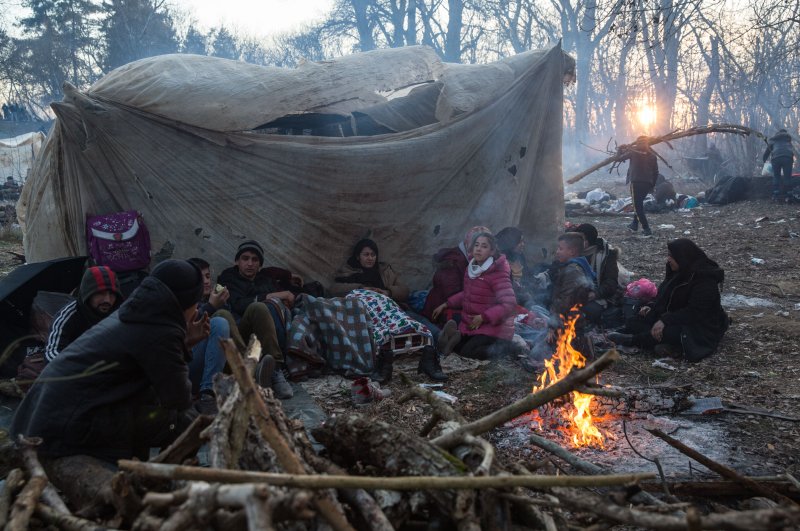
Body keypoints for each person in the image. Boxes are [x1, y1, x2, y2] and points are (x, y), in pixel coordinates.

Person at [11, 260, 208, 462]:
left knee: (149, 401)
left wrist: (185, 343)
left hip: (45, 419)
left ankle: (137, 466)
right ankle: (167, 476)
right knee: (189, 421)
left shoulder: (133, 313)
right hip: (68, 427)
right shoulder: (159, 330)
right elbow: (178, 398)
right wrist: (183, 341)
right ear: (185, 302)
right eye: (196, 302)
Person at [608, 239, 729, 362]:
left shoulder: (704, 281)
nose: (668, 259)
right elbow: (664, 296)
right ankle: (667, 345)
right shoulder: (679, 272)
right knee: (636, 320)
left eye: (672, 256)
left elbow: (694, 312)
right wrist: (652, 306)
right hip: (674, 316)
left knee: (669, 332)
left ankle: (633, 340)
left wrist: (665, 320)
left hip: (699, 326)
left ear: (683, 257)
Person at [218, 240, 295, 399]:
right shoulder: (228, 278)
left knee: (268, 307)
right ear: (237, 261)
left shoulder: (264, 280)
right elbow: (238, 304)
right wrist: (271, 295)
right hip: (240, 334)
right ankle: (254, 370)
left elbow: (280, 301)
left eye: (255, 260)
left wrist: (280, 300)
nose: (250, 263)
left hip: (263, 336)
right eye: (245, 258)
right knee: (257, 307)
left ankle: (275, 370)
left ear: (260, 265)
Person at [432, 232, 517, 360]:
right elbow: (468, 293)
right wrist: (446, 304)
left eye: (484, 246)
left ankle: (510, 348)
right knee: (458, 348)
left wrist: (483, 317)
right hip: (473, 325)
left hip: (496, 329)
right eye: (476, 245)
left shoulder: (497, 272)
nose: (478, 249)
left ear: (492, 251)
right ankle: (451, 339)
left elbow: (509, 304)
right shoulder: (472, 268)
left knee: (469, 352)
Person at [44, 266, 123, 364]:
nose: (107, 300)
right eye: (100, 293)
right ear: (88, 294)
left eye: (111, 294)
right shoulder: (69, 315)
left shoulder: (121, 314)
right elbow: (52, 352)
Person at [186, 257, 234, 415]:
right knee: (219, 322)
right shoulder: (182, 301)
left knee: (223, 319)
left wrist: (219, 304)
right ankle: (208, 395)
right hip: (184, 369)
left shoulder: (213, 299)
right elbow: (184, 328)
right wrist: (211, 306)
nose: (206, 282)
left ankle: (210, 393)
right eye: (201, 278)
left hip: (209, 368)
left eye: (208, 276)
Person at [421, 226, 490, 326]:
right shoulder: (453, 262)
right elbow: (451, 294)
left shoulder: (475, 261)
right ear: (468, 244)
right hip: (441, 312)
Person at [571, 224, 620, 326]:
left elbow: (611, 282)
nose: (576, 242)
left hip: (598, 296)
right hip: (574, 293)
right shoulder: (572, 252)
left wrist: (595, 294)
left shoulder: (606, 255)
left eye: (581, 239)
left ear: (589, 241)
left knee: (589, 310)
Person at [330, 239, 409, 302]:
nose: (370, 258)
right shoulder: (349, 270)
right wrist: (360, 289)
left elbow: (404, 290)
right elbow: (333, 289)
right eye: (366, 254)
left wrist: (388, 292)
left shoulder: (385, 271)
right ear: (358, 256)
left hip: (388, 308)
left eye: (373, 255)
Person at [625, 136, 659, 236]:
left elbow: (620, 158)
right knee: (638, 204)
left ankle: (646, 228)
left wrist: (621, 149)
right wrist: (652, 185)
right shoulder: (653, 156)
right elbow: (656, 172)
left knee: (637, 207)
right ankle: (634, 224)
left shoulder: (633, 152)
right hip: (647, 184)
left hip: (636, 183)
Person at [495, 226, 532, 305]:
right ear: (511, 243)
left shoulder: (520, 257)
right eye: (520, 242)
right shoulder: (499, 262)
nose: (523, 244)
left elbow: (527, 277)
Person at [763, 129, 795, 202]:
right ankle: (789, 196)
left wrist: (764, 161)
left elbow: (767, 151)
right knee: (787, 177)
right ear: (785, 133)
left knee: (776, 176)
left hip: (776, 158)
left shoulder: (773, 140)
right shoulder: (788, 140)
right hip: (787, 158)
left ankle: (775, 195)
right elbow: (791, 151)